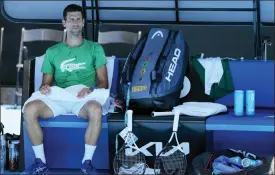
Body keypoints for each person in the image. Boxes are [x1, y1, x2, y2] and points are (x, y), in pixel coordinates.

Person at [23, 4, 108, 174]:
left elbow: (103, 82)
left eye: (78, 19)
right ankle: (40, 163)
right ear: (64, 23)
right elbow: (45, 83)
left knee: (96, 108)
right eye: (71, 19)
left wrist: (90, 91)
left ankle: (87, 163)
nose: (75, 22)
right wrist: (45, 88)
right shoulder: (53, 51)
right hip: (59, 97)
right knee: (30, 109)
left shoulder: (95, 48)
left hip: (83, 98)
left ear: (83, 22)